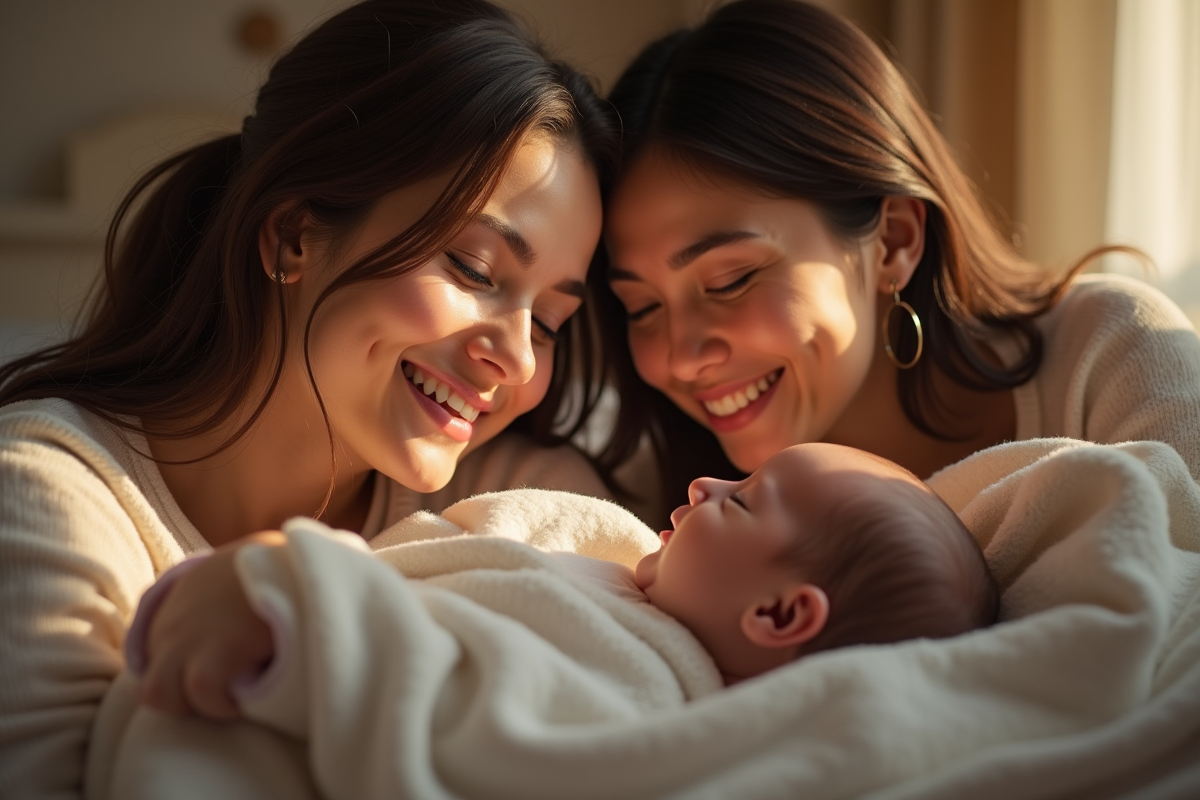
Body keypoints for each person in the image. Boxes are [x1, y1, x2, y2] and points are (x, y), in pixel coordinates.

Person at [0, 1, 620, 796]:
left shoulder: (529, 505)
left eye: (552, 321)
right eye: (473, 268)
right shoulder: (46, 501)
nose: (514, 361)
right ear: (295, 236)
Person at [596, 0, 1200, 528]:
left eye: (730, 280)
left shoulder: (1108, 357)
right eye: (642, 307)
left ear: (895, 241)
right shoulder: (668, 502)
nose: (681, 355)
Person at [128, 441, 996, 713]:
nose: (703, 482)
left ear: (776, 611)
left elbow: (456, 696)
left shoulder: (645, 683)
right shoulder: (611, 561)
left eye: (743, 500)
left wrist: (309, 595)